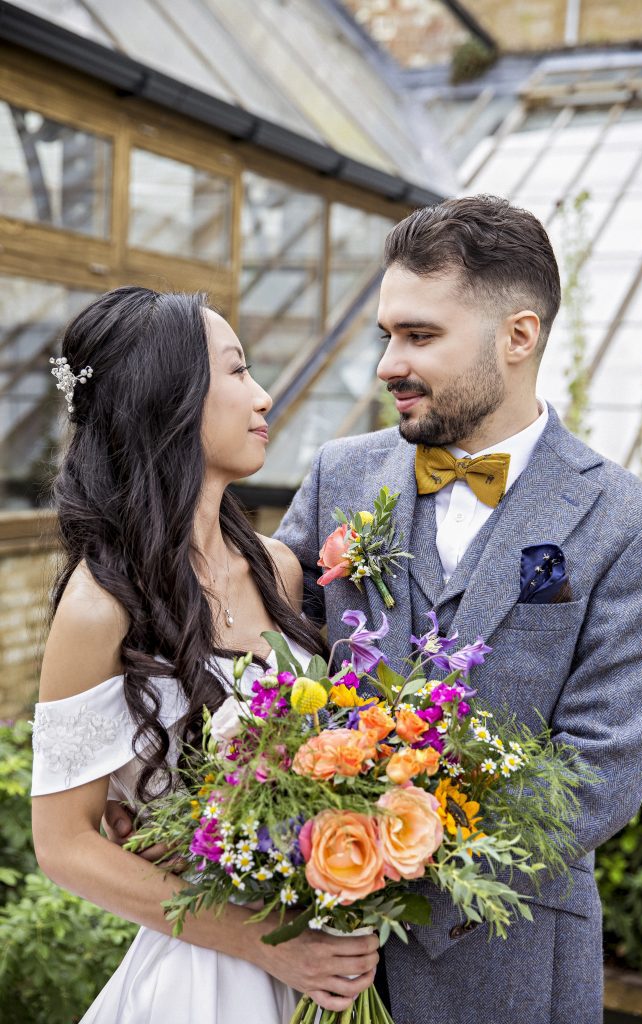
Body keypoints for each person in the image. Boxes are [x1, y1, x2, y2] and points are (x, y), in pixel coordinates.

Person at [275, 196, 642, 1024]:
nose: (388, 364)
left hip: (509, 957)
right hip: (312, 945)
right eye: (385, 336)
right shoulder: (338, 475)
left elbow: (598, 772)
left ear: (518, 336)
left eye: (419, 337)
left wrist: (393, 866)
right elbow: (264, 657)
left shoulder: (634, 525)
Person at [31, 287, 379, 1024]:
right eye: (237, 370)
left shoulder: (280, 570)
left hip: (319, 955)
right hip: (204, 974)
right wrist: (265, 943)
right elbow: (62, 846)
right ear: (172, 399)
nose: (263, 394)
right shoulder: (100, 607)